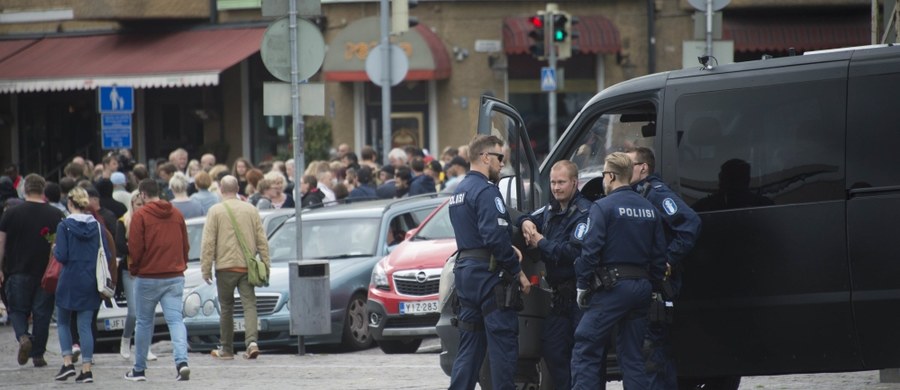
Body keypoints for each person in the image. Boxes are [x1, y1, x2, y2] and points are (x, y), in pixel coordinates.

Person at [571, 152, 667, 389]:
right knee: (633, 357)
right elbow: (659, 258)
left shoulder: (602, 207)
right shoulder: (649, 208)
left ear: (611, 176)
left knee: (585, 346)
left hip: (612, 288)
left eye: (604, 174)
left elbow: (590, 252)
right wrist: (653, 286)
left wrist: (582, 285)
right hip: (642, 289)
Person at [448, 134, 531, 390]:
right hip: (488, 277)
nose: (502, 164)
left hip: (466, 274)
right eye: (499, 158)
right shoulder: (486, 191)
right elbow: (493, 236)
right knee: (503, 347)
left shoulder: (459, 191)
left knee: (469, 347)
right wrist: (518, 271)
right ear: (485, 157)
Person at [627, 146, 702, 389]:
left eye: (630, 165)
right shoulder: (641, 193)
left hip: (659, 284)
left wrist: (668, 259)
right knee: (658, 349)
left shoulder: (657, 194)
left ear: (643, 168)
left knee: (651, 349)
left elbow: (690, 223)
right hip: (651, 283)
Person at [517, 160, 592, 389]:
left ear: (574, 182)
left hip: (581, 295)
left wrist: (541, 242)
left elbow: (573, 251)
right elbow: (524, 216)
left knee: (582, 354)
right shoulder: (550, 210)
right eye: (552, 182)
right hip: (559, 297)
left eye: (561, 182)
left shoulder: (584, 212)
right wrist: (527, 223)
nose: (556, 187)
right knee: (552, 350)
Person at [126, 179, 191, 382]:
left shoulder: (141, 216)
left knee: (144, 322)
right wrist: (181, 265)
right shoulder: (176, 214)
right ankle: (182, 363)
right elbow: (185, 244)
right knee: (176, 320)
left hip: (148, 276)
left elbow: (135, 248)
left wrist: (134, 269)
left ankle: (139, 370)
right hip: (174, 275)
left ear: (143, 194)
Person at [0, 174, 65, 368]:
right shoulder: (55, 214)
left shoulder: (10, 213)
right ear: (43, 190)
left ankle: (22, 336)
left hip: (17, 269)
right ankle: (38, 354)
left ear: (25, 189)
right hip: (46, 272)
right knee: (42, 313)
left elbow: (1, 243)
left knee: (17, 310)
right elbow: (60, 245)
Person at [202, 175, 270, 360]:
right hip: (246, 266)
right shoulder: (251, 209)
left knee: (226, 308)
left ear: (221, 190)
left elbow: (208, 242)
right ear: (238, 188)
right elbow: (261, 239)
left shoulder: (215, 211)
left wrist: (205, 268)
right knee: (249, 304)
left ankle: (226, 349)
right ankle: (252, 343)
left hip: (224, 267)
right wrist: (266, 263)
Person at [53, 186, 115, 383]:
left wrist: (54, 248)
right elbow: (108, 253)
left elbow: (62, 256)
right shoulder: (97, 226)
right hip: (90, 280)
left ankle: (67, 363)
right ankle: (87, 369)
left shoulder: (64, 226)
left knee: (63, 322)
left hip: (69, 279)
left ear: (70, 204)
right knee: (85, 326)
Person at [114, 192, 158, 361]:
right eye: (138, 204)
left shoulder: (151, 221)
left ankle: (146, 347)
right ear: (132, 205)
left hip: (148, 269)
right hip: (130, 270)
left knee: (148, 311)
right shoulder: (123, 222)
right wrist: (138, 248)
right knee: (134, 312)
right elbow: (120, 246)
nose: (141, 207)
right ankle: (126, 340)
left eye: (143, 203)